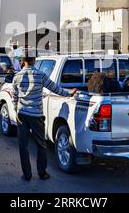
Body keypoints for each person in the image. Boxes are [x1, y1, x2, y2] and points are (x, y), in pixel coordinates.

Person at [12, 49, 77, 181]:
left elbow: (14, 97)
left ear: (23, 61)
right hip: (36, 115)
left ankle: (27, 175)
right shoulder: (40, 75)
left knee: (23, 146)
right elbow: (55, 88)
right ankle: (42, 173)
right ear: (34, 60)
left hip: (22, 114)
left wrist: (16, 110)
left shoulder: (17, 76)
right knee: (41, 144)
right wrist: (69, 93)